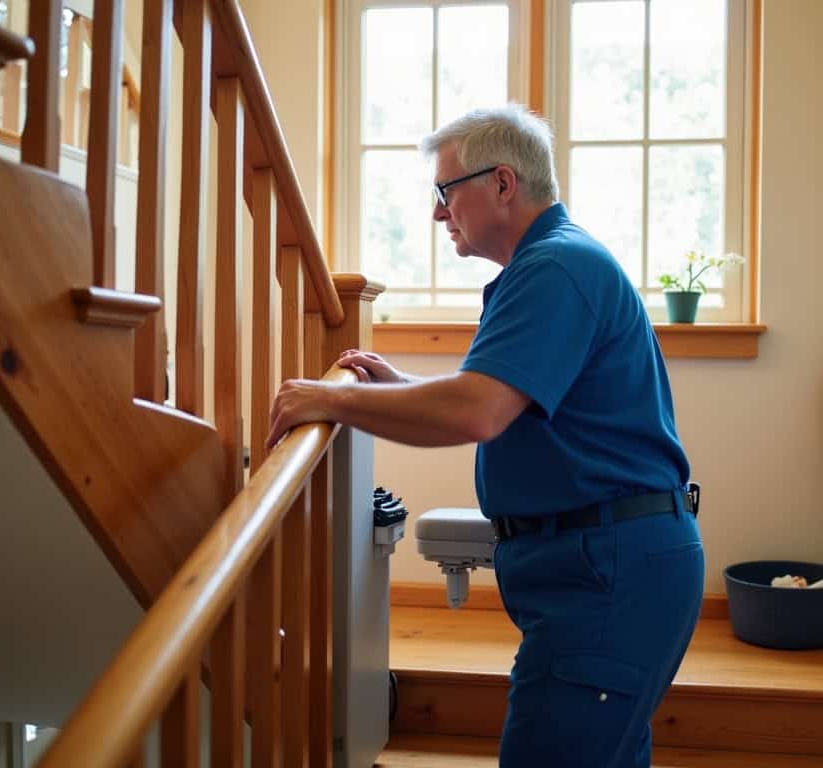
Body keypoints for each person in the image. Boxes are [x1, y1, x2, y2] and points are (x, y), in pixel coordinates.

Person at [266, 104, 704, 768]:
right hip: (606, 564)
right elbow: (503, 396)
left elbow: (477, 412)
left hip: (607, 573)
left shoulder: (554, 267)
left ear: (502, 183)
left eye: (446, 193)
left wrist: (327, 398)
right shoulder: (553, 263)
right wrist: (395, 383)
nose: (439, 214)